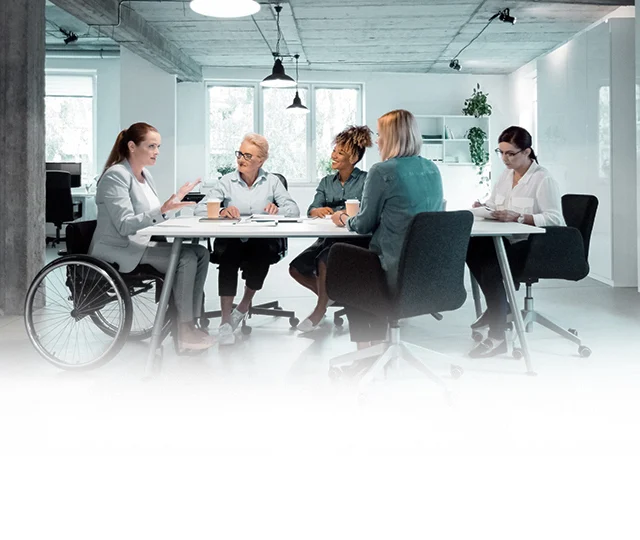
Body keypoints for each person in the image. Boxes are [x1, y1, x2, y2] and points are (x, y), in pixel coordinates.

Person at [89, 122, 214, 351]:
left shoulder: (145, 175)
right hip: (120, 248)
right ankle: (183, 327)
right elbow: (125, 225)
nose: (157, 151)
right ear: (132, 146)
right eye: (151, 146)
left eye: (159, 146)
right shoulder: (116, 176)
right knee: (185, 258)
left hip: (141, 243)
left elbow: (153, 215)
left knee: (201, 252)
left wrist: (173, 204)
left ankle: (191, 320)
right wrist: (164, 210)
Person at [332, 109, 444, 349]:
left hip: (394, 269)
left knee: (345, 261)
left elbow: (362, 224)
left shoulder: (382, 171)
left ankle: (365, 351)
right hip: (428, 271)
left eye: (381, 135)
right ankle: (379, 346)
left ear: (393, 138)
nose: (378, 141)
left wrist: (344, 218)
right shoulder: (432, 169)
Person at [466, 125, 565, 358]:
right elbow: (495, 202)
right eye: (501, 152)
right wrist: (484, 208)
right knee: (470, 248)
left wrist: (519, 217)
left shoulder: (542, 179)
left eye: (510, 153)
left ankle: (498, 335)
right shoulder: (505, 176)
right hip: (505, 239)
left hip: (530, 246)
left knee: (491, 266)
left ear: (527, 151)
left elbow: (555, 219)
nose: (504, 158)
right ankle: (502, 307)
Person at [197, 133, 300, 346]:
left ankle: (242, 307)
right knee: (229, 258)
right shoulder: (226, 181)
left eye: (248, 155)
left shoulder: (272, 182)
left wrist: (278, 209)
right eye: (240, 153)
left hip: (261, 241)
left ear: (260, 161)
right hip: (231, 240)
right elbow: (200, 208)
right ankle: (226, 321)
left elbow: (294, 210)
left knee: (260, 254)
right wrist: (222, 210)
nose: (241, 159)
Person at [289, 125, 373, 332]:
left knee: (324, 260)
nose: (333, 155)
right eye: (334, 150)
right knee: (296, 268)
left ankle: (319, 309)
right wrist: (316, 211)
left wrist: (344, 212)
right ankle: (329, 296)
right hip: (328, 237)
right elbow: (312, 209)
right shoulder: (327, 182)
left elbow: (367, 211)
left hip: (354, 239)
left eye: (340, 152)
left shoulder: (366, 179)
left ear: (353, 158)